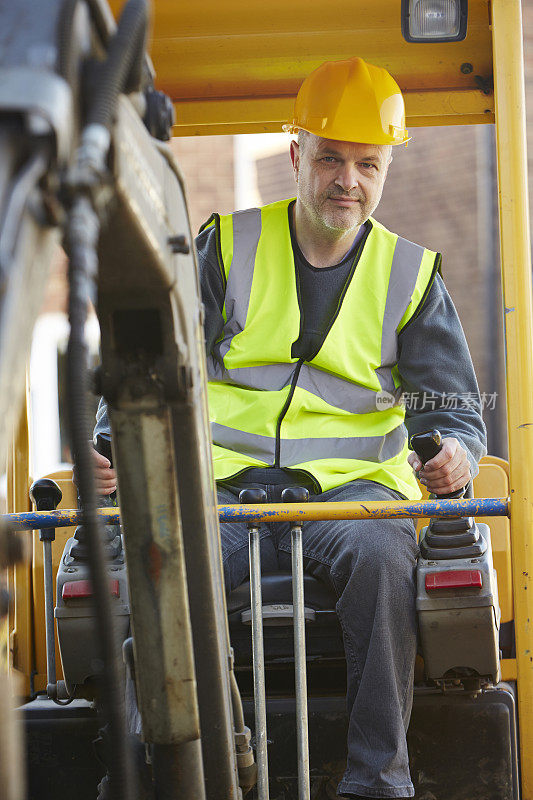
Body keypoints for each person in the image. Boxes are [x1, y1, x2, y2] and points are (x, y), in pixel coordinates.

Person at [92, 57, 486, 799]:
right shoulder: (225, 247)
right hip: (224, 493)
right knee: (166, 565)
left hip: (351, 497)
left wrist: (457, 451)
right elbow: (150, 355)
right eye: (331, 158)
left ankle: (377, 782)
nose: (348, 181)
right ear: (297, 155)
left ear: (386, 169)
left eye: (367, 164)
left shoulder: (410, 273)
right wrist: (115, 441)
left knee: (383, 557)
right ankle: (170, 773)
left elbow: (453, 407)